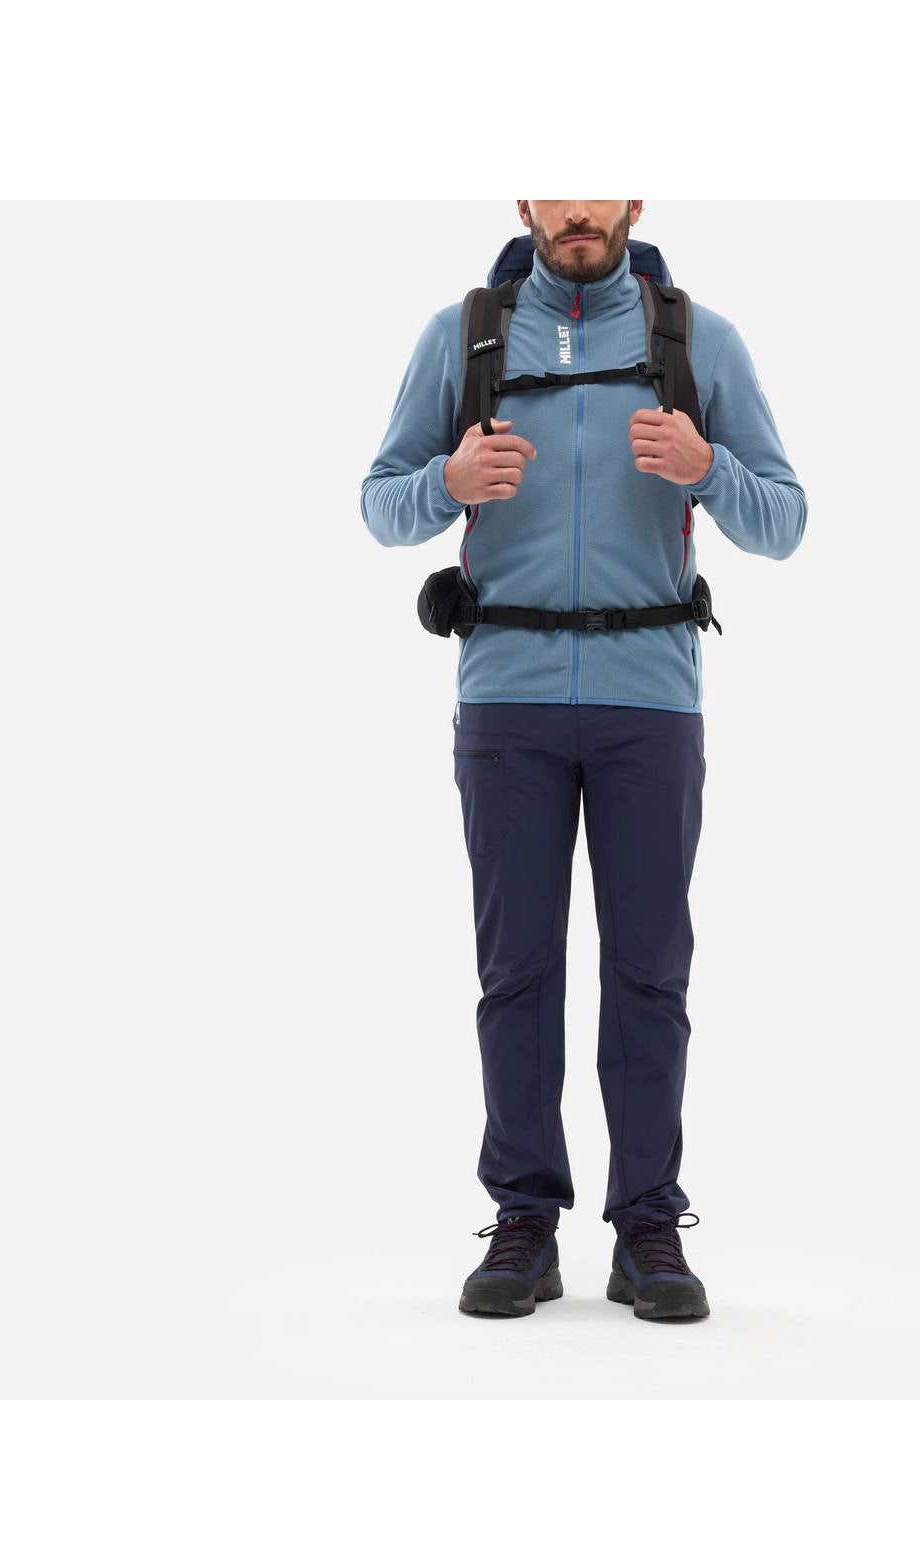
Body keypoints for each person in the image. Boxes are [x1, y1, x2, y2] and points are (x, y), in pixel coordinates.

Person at [361, 200, 806, 1321]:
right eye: (555, 186)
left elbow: (785, 521)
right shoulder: (463, 335)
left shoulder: (697, 341)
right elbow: (379, 505)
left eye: (598, 185)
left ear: (633, 202)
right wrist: (446, 484)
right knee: (516, 972)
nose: (575, 210)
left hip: (649, 703)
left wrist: (707, 468)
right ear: (523, 202)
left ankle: (647, 1225)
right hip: (504, 701)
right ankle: (524, 1220)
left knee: (650, 972)